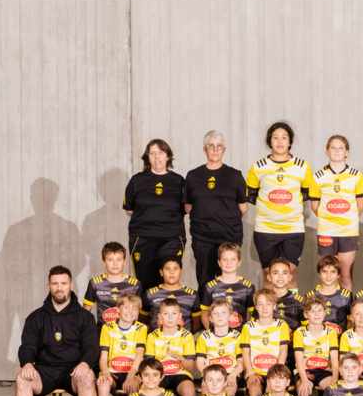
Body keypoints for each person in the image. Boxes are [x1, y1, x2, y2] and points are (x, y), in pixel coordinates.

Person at [246, 122, 319, 288]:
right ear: (269, 141)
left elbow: (307, 193)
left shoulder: (302, 166)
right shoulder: (258, 167)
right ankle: (268, 307)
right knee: (269, 277)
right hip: (265, 229)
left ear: (290, 142)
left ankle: (290, 306)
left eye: (284, 138)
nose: (280, 141)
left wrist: (286, 206)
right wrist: (271, 207)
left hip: (293, 229)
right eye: (275, 137)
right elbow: (250, 195)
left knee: (290, 276)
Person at [184, 131, 248, 286]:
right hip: (202, 238)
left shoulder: (235, 175)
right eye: (211, 146)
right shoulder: (193, 176)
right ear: (204, 150)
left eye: (219, 146)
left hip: (229, 236)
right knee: (204, 282)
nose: (215, 149)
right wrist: (206, 217)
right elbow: (188, 207)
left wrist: (223, 218)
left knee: (226, 282)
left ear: (224, 150)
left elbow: (243, 207)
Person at [124, 139, 186, 290]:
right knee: (144, 282)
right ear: (148, 157)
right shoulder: (137, 180)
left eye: (161, 152)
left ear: (168, 157)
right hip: (142, 238)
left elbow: (186, 208)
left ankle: (167, 307)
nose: (157, 157)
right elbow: (129, 209)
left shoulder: (179, 181)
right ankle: (145, 307)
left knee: (168, 281)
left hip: (172, 238)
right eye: (152, 153)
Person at [311, 135, 363, 291]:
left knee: (345, 275)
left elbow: (360, 206)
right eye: (333, 148)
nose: (337, 151)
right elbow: (315, 207)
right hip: (326, 231)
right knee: (329, 274)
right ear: (327, 151)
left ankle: (347, 307)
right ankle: (330, 305)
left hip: (348, 231)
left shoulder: (356, 175)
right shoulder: (318, 176)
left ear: (346, 152)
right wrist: (330, 219)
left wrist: (346, 219)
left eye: (341, 148)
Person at [96, 294, 147, 396]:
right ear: (117, 309)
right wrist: (105, 372)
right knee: (103, 385)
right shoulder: (107, 327)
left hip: (132, 372)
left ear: (138, 312)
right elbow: (103, 358)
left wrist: (131, 376)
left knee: (133, 386)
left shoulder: (141, 328)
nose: (130, 311)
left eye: (134, 308)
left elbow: (139, 355)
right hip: (112, 372)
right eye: (126, 307)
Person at [143, 299, 197, 396]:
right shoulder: (153, 336)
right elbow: (149, 366)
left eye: (174, 313)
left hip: (180, 374)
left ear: (180, 316)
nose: (170, 317)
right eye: (166, 314)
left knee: (189, 391)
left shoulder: (187, 336)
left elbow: (190, 366)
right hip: (158, 375)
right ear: (160, 316)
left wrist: (180, 358)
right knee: (144, 388)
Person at [240, 289, 291, 396]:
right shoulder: (248, 326)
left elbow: (283, 351)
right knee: (254, 394)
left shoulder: (281, 325)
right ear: (256, 307)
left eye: (268, 304)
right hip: (255, 372)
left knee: (271, 394)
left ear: (274, 306)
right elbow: (245, 353)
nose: (264, 308)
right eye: (260, 304)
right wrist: (251, 374)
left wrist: (276, 374)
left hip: (275, 372)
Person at [293, 293, 339, 396]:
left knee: (335, 393)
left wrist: (335, 380)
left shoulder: (331, 332)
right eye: (312, 311)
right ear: (306, 314)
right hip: (305, 371)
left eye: (319, 310)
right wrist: (304, 381)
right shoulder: (299, 332)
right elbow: (299, 361)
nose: (317, 314)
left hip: (324, 371)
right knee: (303, 391)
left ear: (324, 313)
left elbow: (334, 359)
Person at [83, 242, 143, 325]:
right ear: (103, 262)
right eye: (110, 260)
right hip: (102, 330)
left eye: (119, 260)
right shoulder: (95, 283)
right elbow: (85, 311)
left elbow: (139, 314)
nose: (115, 264)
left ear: (124, 262)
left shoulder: (135, 284)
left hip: (128, 331)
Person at [199, 242, 254, 331]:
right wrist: (212, 335)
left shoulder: (248, 287)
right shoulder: (210, 287)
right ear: (219, 262)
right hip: (217, 336)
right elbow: (204, 315)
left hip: (240, 336)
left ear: (239, 262)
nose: (229, 262)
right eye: (224, 259)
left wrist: (247, 335)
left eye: (233, 259)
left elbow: (253, 315)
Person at [196, 300, 244, 396]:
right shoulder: (204, 337)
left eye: (223, 312)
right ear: (210, 318)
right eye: (215, 313)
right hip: (210, 373)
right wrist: (206, 375)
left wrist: (233, 375)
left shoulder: (238, 337)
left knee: (229, 393)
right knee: (206, 395)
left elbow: (242, 362)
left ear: (231, 317)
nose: (219, 316)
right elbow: (199, 362)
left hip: (230, 373)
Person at [143, 255, 201, 332]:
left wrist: (184, 336)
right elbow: (142, 323)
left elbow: (196, 325)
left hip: (183, 339)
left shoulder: (192, 295)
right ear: (161, 272)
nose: (172, 272)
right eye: (167, 269)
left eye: (175, 268)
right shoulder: (150, 294)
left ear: (181, 271)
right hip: (157, 339)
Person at [307, 255, 353, 333]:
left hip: (340, 339)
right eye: (324, 272)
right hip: (317, 340)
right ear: (319, 274)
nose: (328, 276)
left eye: (333, 272)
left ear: (338, 275)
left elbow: (350, 323)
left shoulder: (347, 296)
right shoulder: (310, 296)